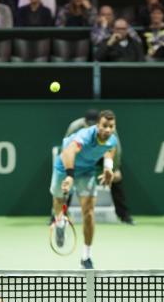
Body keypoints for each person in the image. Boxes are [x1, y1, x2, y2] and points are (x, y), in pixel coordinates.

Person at [50, 110, 118, 269]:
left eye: (111, 126)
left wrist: (108, 168)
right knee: (59, 200)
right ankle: (60, 223)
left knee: (88, 212)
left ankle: (86, 257)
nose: (107, 130)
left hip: (87, 172)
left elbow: (109, 151)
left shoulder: (112, 140)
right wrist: (69, 175)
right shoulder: (86, 135)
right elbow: (69, 151)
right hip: (64, 167)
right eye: (104, 126)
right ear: (97, 125)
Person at [57, 109, 134, 225]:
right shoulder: (75, 126)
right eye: (91, 124)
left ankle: (124, 216)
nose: (93, 126)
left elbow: (115, 149)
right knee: (68, 180)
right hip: (79, 156)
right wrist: (68, 168)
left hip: (100, 155)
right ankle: (58, 216)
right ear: (85, 122)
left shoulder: (109, 129)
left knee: (116, 178)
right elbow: (66, 147)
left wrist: (113, 168)